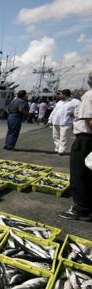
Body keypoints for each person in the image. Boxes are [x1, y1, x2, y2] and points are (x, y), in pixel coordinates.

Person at [59, 72, 92, 220]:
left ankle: (81, 210)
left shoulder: (89, 96)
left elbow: (90, 121)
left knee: (79, 175)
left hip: (85, 140)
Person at [48, 89, 80, 155]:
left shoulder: (75, 102)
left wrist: (74, 114)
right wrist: (50, 120)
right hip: (56, 121)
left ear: (65, 95)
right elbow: (54, 112)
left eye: (60, 94)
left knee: (64, 137)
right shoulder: (59, 102)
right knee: (55, 136)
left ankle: (62, 150)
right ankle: (57, 147)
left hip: (66, 122)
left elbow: (79, 111)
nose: (59, 95)